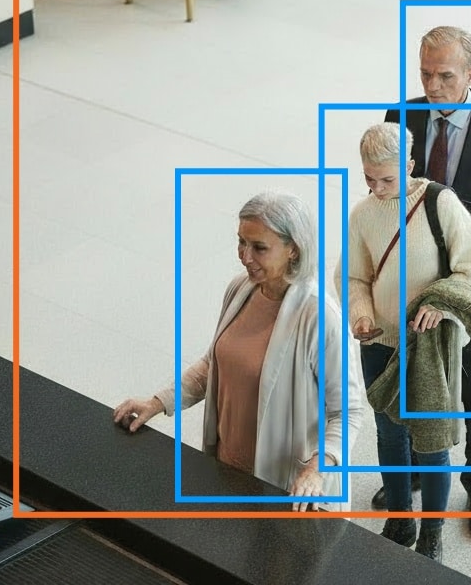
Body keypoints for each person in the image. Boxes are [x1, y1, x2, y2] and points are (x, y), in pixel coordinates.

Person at [375, 25, 471, 543]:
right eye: (425, 73)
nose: (434, 84)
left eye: (446, 75)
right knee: (411, 377)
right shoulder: (403, 117)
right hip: (414, 285)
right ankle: (420, 469)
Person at [112, 191, 364, 512]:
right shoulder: (240, 289)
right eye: (241, 242)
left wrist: (318, 469)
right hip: (229, 469)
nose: (245, 256)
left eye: (259, 247)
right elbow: (212, 365)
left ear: (293, 250)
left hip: (285, 488)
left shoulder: (320, 317)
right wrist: (158, 402)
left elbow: (348, 412)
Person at [345, 122, 471, 562]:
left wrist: (442, 306)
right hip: (380, 343)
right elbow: (354, 277)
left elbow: (470, 270)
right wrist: (361, 314)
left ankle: (432, 531)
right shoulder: (362, 214)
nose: (378, 188)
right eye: (369, 178)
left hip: (429, 346)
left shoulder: (440, 204)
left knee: (431, 441)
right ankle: (401, 517)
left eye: (387, 178)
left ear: (409, 165)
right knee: (390, 435)